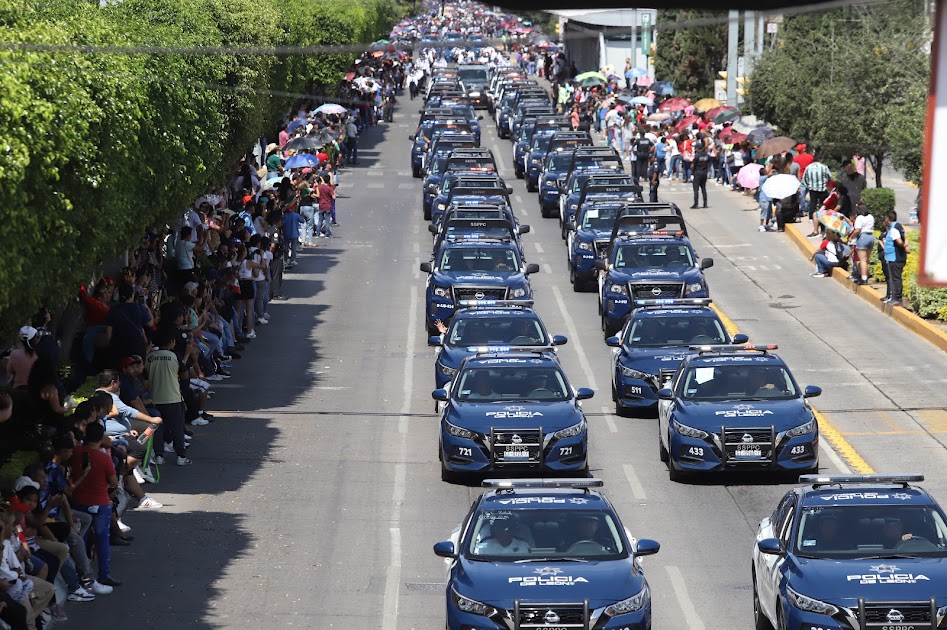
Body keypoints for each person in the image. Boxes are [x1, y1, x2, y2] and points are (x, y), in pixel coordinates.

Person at [69, 422, 121, 588]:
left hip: (78, 502)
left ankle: (82, 574)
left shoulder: (74, 453)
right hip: (100, 502)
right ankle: (103, 575)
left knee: (80, 539)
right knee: (101, 538)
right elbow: (113, 481)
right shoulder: (104, 458)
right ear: (100, 437)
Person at [882, 210, 909, 306]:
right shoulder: (898, 226)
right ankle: (895, 297)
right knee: (895, 277)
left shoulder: (894, 230)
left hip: (895, 258)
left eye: (886, 218)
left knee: (895, 278)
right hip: (894, 257)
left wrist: (904, 246)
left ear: (888, 219)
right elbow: (905, 238)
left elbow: (899, 241)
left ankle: (897, 298)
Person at [802, 153, 832, 237]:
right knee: (823, 207)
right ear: (821, 159)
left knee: (813, 204)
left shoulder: (808, 167)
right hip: (822, 190)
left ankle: (812, 220)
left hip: (813, 190)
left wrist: (810, 186)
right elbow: (829, 177)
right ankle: (823, 228)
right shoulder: (824, 167)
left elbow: (804, 179)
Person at [849, 203, 875, 285]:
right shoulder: (871, 217)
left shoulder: (859, 218)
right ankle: (866, 276)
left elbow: (857, 230)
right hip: (871, 237)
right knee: (866, 260)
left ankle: (863, 278)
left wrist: (851, 237)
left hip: (863, 237)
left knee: (862, 260)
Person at [690, 142, 711, 209]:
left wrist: (692, 172)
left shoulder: (697, 156)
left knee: (696, 189)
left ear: (697, 148)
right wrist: (706, 171)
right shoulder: (707, 155)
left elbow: (692, 166)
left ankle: (696, 204)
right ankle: (705, 204)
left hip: (697, 173)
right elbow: (708, 165)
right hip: (704, 173)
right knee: (703, 189)